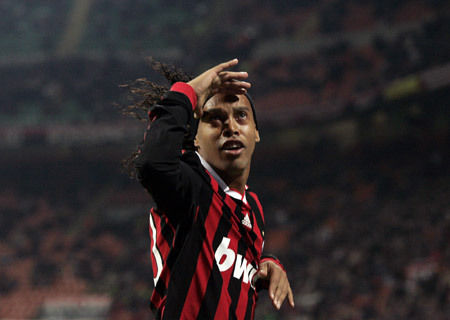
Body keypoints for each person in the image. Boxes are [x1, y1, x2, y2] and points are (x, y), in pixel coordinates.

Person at [132, 58, 294, 319]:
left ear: (256, 132)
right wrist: (188, 93)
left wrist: (267, 264)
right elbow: (153, 163)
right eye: (215, 119)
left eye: (241, 116)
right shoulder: (189, 186)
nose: (231, 127)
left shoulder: (252, 207)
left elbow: (235, 257)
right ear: (196, 138)